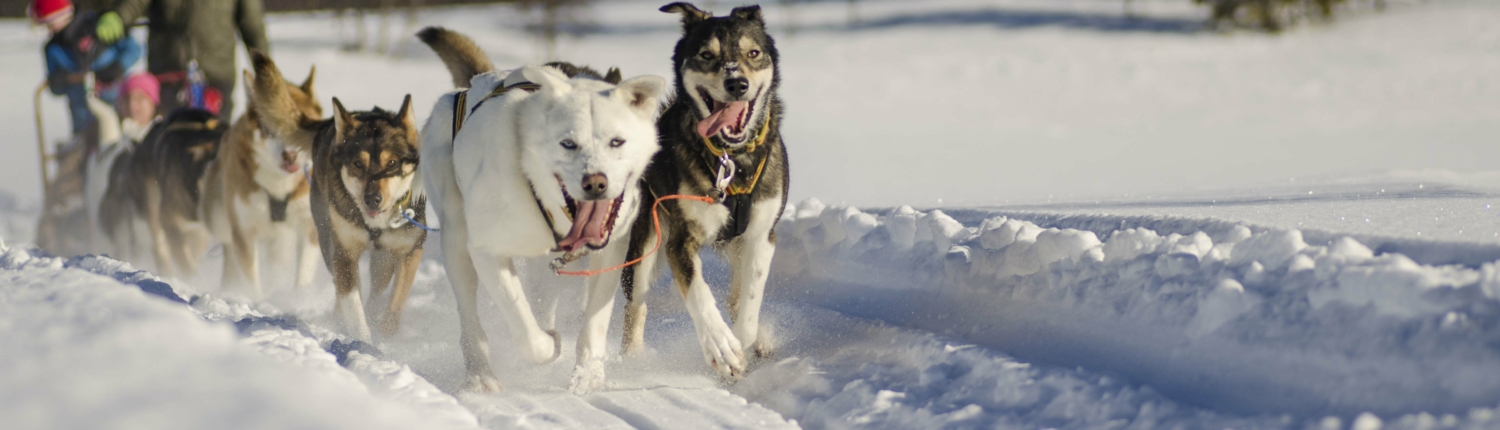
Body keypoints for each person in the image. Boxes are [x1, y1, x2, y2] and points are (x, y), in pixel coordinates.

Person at [95, 0, 269, 120]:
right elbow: (134, 3)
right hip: (168, 77)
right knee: (168, 145)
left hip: (216, 78)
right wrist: (118, 16)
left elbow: (253, 29)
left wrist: (267, 73)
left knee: (213, 147)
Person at [35, 0, 142, 135]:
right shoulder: (54, 48)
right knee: (78, 152)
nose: (48, 29)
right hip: (83, 122)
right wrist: (57, 81)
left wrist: (118, 67)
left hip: (119, 111)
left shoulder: (99, 26)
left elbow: (134, 49)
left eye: (49, 23)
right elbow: (55, 87)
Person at [115, 72, 159, 141]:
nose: (131, 105)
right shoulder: (112, 136)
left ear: (152, 104)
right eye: (127, 99)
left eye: (139, 98)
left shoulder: (160, 136)